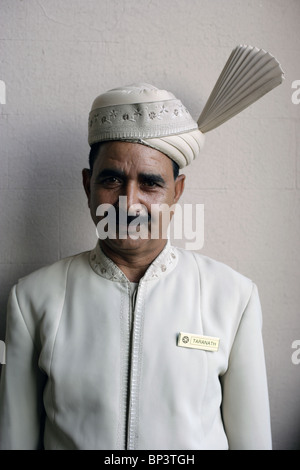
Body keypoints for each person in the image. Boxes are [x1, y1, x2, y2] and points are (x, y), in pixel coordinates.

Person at [0, 70, 279, 450]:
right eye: (112, 180)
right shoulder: (32, 299)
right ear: (88, 186)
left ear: (177, 192)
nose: (128, 204)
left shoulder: (233, 297)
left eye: (150, 183)